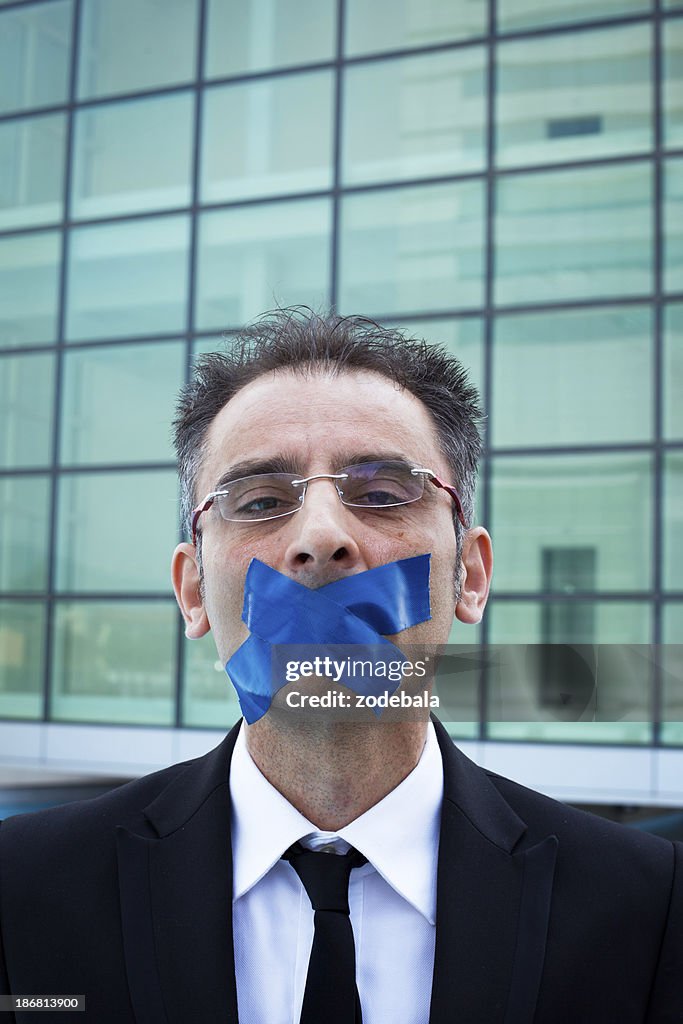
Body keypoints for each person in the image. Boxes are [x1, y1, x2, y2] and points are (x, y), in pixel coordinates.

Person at [0, 308, 681, 1024]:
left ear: (471, 577)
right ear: (193, 590)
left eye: (383, 494)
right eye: (260, 501)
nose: (321, 538)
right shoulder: (22, 887)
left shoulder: (646, 904)